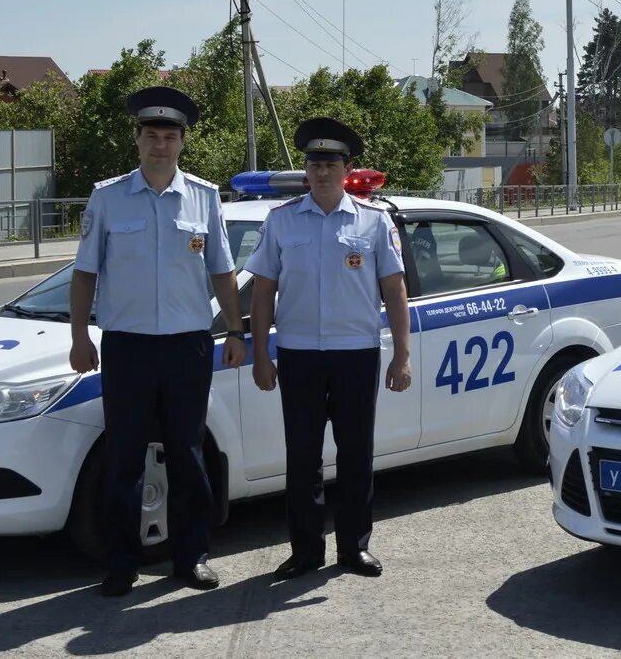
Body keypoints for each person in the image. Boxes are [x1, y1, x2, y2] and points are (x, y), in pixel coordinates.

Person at [68, 86, 246, 598]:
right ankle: (121, 563)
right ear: (137, 140)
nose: (160, 145)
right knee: (124, 457)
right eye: (152, 135)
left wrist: (233, 330)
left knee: (188, 456)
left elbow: (222, 273)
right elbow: (84, 274)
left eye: (170, 136)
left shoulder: (204, 198)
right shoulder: (107, 198)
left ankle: (192, 558)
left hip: (188, 347)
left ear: (182, 143)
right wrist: (81, 337)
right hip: (126, 346)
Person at [244, 116, 412, 579]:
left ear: (347, 168)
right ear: (306, 170)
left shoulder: (374, 222)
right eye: (314, 164)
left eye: (331, 163)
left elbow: (395, 290)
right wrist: (261, 354)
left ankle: (354, 547)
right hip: (297, 355)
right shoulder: (281, 222)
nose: (322, 172)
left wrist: (402, 354)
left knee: (356, 454)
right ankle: (305, 551)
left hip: (355, 353)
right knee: (302, 458)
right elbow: (262, 294)